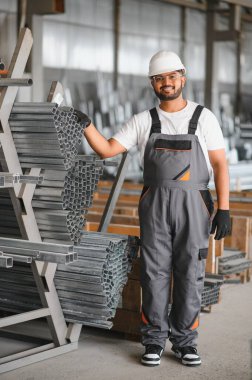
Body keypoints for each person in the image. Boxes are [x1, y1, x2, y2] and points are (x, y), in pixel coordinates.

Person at [76, 50, 231, 367]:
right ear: (152, 83)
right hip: (156, 207)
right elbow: (107, 149)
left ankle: (186, 343)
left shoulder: (204, 118)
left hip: (195, 207)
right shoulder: (143, 120)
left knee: (190, 274)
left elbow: (219, 164)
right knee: (154, 275)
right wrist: (86, 125)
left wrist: (225, 208)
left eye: (172, 76)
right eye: (160, 78)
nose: (167, 83)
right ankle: (154, 341)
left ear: (183, 77)